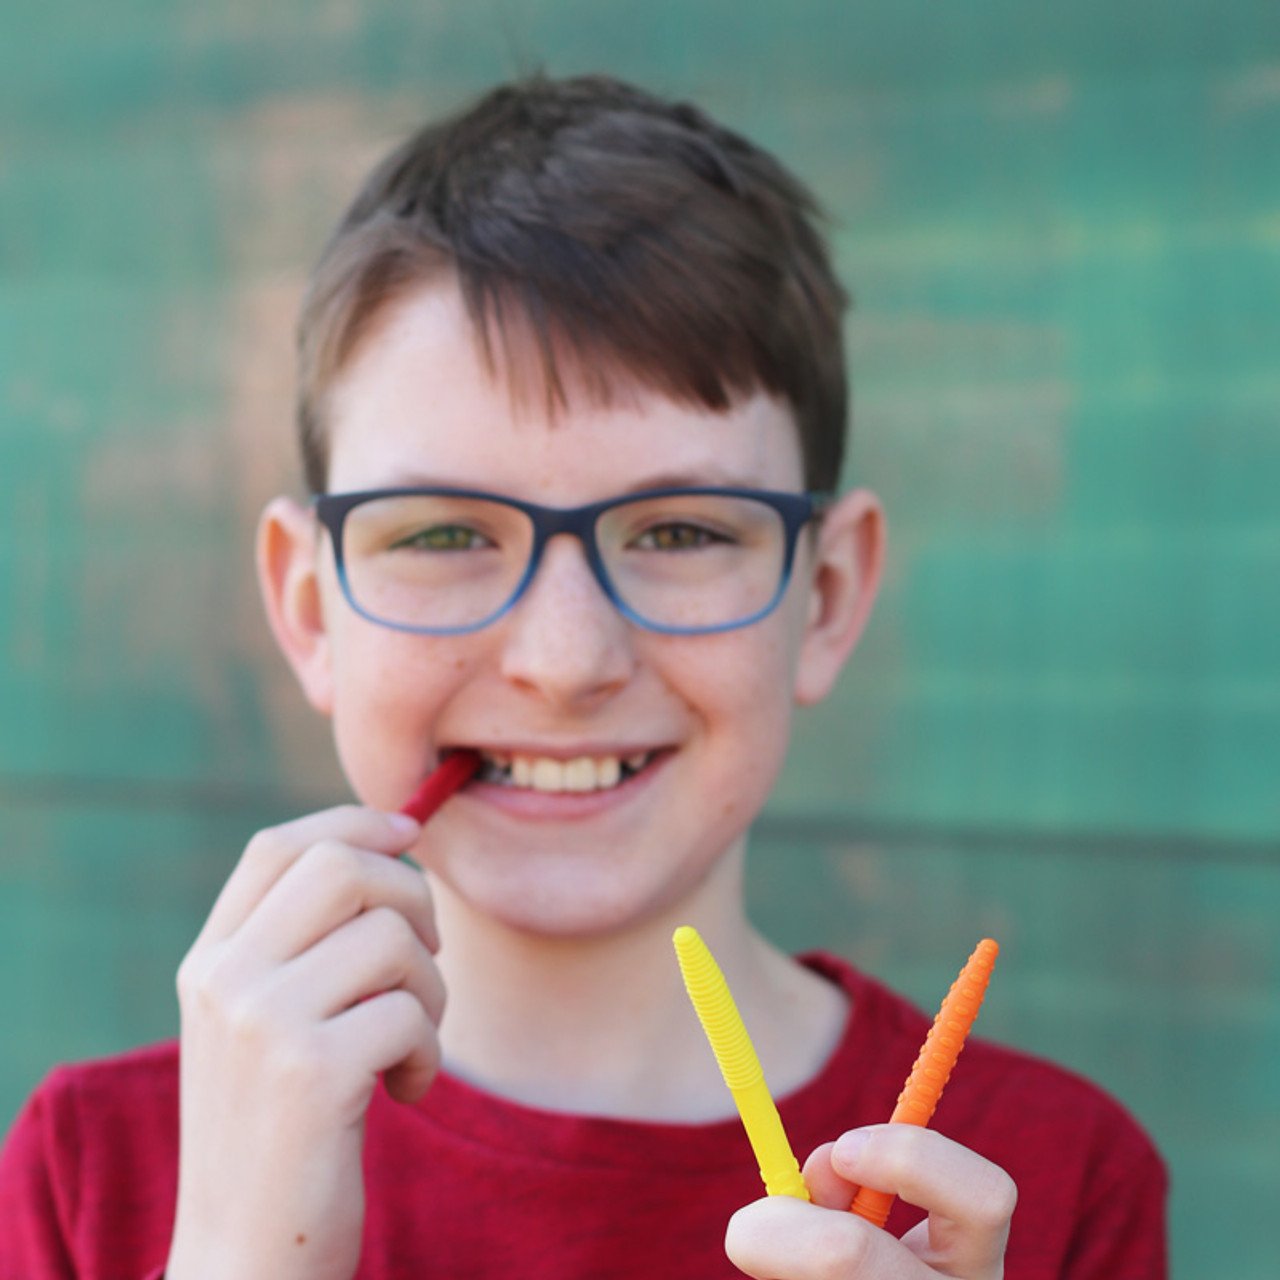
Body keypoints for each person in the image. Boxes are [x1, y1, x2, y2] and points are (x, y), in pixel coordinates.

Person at [0, 73, 1167, 1279]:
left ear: (823, 596)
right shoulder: (94, 1169)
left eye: (680, 530)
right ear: (309, 605)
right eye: (443, 533)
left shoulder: (1050, 1180)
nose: (563, 663)